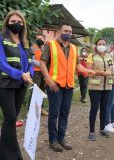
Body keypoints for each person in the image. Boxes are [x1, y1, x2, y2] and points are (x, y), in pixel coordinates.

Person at [40, 22, 95, 152]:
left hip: (69, 85)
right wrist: (48, 79)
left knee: (65, 113)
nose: (68, 33)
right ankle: (53, 140)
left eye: (70, 32)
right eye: (66, 31)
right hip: (55, 85)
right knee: (54, 113)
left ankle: (61, 138)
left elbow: (77, 66)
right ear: (59, 32)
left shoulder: (74, 48)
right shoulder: (50, 45)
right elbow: (42, 62)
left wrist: (88, 71)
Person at [0, 10, 34, 160]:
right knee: (10, 118)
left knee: (11, 120)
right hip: (5, 84)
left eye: (19, 22)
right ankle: (15, 157)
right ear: (7, 23)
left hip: (21, 85)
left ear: (23, 24)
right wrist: (20, 74)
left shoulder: (25, 42)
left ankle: (4, 157)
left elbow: (30, 62)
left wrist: (29, 74)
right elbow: (2, 64)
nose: (16, 24)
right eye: (13, 21)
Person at [86, 38, 113, 141]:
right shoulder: (91, 56)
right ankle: (92, 131)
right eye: (100, 44)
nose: (102, 45)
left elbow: (112, 69)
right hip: (95, 87)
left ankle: (102, 128)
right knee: (94, 109)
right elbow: (89, 71)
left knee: (104, 108)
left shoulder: (109, 56)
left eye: (103, 44)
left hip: (107, 86)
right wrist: (101, 73)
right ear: (96, 45)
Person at [30, 34, 48, 116]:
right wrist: (42, 65)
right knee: (35, 91)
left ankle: (41, 109)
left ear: (44, 39)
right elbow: (31, 60)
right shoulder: (32, 48)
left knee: (42, 91)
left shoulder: (46, 48)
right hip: (36, 73)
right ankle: (31, 110)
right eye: (37, 38)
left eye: (40, 38)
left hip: (44, 73)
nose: (38, 39)